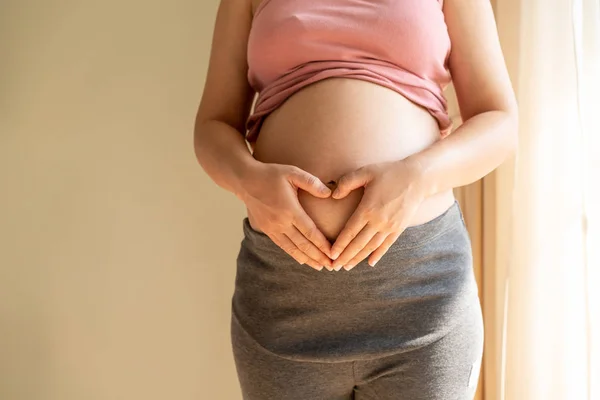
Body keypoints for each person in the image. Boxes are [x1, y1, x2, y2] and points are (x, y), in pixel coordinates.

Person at [193, 0, 518, 398]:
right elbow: (213, 125)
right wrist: (249, 180)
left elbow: (499, 120)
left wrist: (417, 176)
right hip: (285, 296)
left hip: (421, 292)